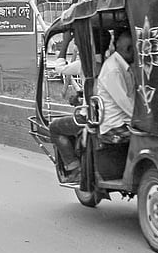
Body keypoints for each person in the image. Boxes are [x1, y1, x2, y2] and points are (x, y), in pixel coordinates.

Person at [50, 29, 131, 182]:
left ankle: (74, 167)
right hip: (102, 113)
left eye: (78, 43)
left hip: (90, 117)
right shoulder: (111, 62)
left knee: (54, 127)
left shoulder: (86, 65)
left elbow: (60, 68)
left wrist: (65, 42)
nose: (76, 46)